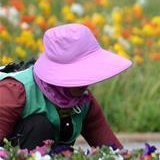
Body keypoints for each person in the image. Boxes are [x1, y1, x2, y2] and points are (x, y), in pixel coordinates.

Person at [0, 24, 131, 149]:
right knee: (39, 125)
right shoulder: (14, 92)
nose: (86, 80)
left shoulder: (83, 101)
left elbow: (113, 150)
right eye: (79, 71)